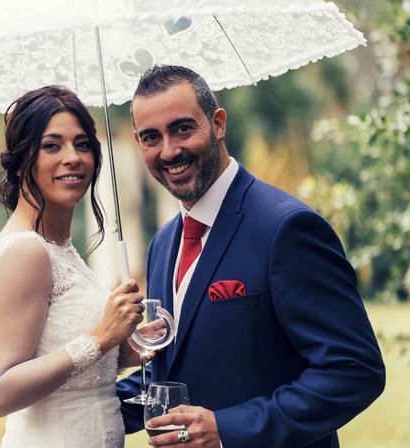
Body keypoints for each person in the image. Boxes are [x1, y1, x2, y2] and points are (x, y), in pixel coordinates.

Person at [117, 65, 385, 448]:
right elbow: (172, 368)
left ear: (219, 123)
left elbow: (355, 370)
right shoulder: (163, 243)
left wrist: (227, 429)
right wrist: (81, 402)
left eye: (182, 128)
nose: (169, 150)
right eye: (151, 137)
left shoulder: (287, 229)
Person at [0, 85, 144, 448]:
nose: (73, 157)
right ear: (22, 160)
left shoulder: (58, 248)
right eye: (52, 145)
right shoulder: (26, 253)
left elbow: (69, 366)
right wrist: (101, 337)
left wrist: (131, 345)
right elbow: (1, 392)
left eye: (82, 144)